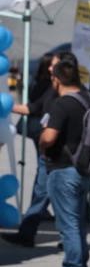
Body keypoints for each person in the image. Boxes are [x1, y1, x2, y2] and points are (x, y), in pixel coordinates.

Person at [40, 58, 90, 267]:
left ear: (57, 79)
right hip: (84, 169)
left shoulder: (62, 105)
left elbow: (50, 137)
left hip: (63, 169)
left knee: (68, 225)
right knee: (78, 224)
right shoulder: (88, 100)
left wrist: (42, 140)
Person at [3, 52, 60, 247]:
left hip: (59, 151)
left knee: (57, 195)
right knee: (44, 191)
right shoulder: (49, 88)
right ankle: (28, 233)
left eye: (56, 66)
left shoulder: (66, 93)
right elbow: (34, 108)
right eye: (52, 66)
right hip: (49, 148)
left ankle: (70, 242)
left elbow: (36, 110)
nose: (52, 70)